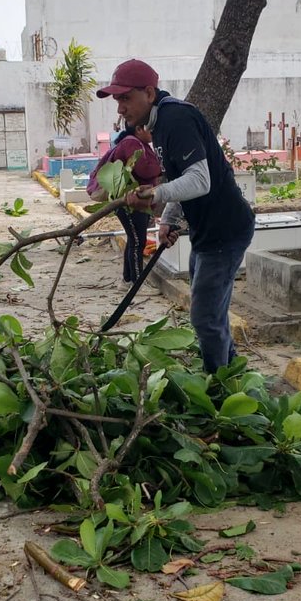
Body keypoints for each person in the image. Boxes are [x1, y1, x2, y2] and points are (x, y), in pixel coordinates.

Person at [96, 59, 255, 371]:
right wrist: (169, 219)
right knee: (212, 312)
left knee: (204, 317)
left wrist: (155, 194)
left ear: (149, 93)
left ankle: (217, 384)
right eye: (117, 100)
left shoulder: (176, 119)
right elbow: (180, 178)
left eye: (125, 98)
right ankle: (230, 371)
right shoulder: (159, 125)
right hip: (206, 232)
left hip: (225, 231)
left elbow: (200, 180)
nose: (120, 108)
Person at [87, 122, 160, 284]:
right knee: (138, 241)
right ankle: (136, 283)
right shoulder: (131, 144)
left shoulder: (137, 143)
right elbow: (144, 170)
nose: (153, 131)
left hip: (134, 203)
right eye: (150, 127)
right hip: (129, 203)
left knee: (134, 239)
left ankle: (127, 281)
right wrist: (163, 165)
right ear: (139, 129)